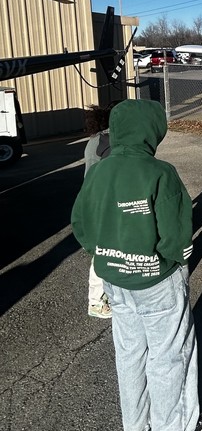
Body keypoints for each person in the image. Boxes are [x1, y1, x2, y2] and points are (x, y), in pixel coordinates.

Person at [71, 99, 202, 431]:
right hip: (157, 280)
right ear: (152, 131)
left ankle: (134, 427)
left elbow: (81, 225)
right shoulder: (160, 173)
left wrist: (105, 253)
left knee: (130, 351)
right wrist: (173, 261)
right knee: (169, 354)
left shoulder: (99, 171)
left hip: (114, 280)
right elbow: (178, 236)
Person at [83, 104, 115, 319]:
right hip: (103, 203)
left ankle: (100, 298)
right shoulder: (108, 140)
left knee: (102, 251)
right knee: (103, 252)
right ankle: (96, 302)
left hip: (93, 200)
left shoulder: (98, 137)